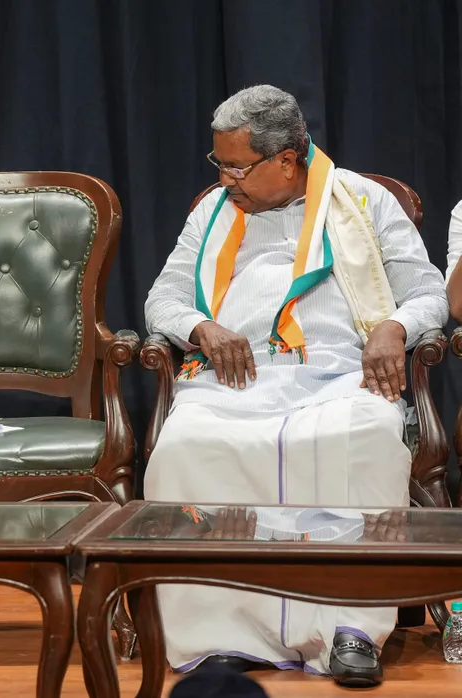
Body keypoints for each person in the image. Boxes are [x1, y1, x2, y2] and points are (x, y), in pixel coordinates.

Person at [143, 85, 447, 687]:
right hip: (232, 381)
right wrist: (200, 327)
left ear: (286, 160)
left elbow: (428, 293)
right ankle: (218, 637)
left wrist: (395, 326)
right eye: (219, 164)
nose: (225, 178)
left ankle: (352, 630)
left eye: (235, 165)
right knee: (182, 450)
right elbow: (163, 299)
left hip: (341, 377)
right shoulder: (211, 214)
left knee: (367, 437)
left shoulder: (364, 200)